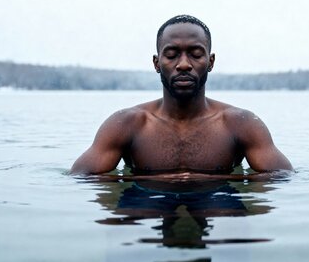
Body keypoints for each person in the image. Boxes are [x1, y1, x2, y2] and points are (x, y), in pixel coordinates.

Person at [71, 15, 292, 179]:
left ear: (211, 62)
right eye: (171, 54)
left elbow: (282, 176)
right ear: (157, 63)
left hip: (218, 201)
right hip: (146, 202)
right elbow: (80, 177)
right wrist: (144, 180)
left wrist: (217, 180)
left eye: (195, 54)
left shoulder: (239, 123)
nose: (184, 64)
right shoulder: (127, 123)